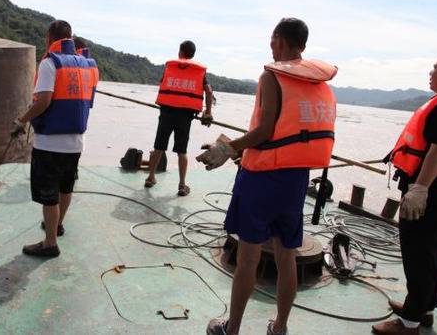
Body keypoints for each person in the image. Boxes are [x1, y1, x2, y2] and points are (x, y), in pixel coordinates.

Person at [197, 18, 337, 335]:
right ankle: (280, 328)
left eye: (272, 39)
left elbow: (264, 131)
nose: (270, 45)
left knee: (249, 258)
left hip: (261, 180)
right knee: (287, 256)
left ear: (278, 41)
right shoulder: (320, 84)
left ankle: (231, 328)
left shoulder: (272, 76)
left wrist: (229, 149)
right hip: (296, 180)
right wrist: (239, 149)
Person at [372, 52, 437, 335]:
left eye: (436, 67)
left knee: (419, 252)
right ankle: (424, 309)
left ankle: (409, 323)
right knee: (434, 250)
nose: (430, 72)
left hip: (431, 191)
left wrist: (419, 189)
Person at [11, 20, 98, 258]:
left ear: (50, 38)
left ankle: (50, 243)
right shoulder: (85, 65)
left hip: (50, 143)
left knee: (49, 195)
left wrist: (21, 121)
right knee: (66, 186)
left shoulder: (52, 62)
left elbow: (43, 100)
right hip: (76, 142)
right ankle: (58, 226)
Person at [144, 40, 213, 196]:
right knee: (182, 151)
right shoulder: (198, 72)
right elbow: (208, 91)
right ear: (193, 54)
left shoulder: (171, 67)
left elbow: (162, 84)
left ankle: (150, 177)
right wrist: (207, 112)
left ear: (181, 52)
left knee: (159, 147)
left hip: (167, 112)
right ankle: (181, 185)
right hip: (185, 116)